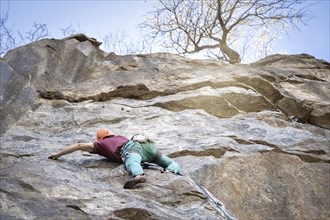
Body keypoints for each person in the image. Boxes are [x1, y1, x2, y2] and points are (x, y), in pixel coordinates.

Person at [48, 128, 181, 189]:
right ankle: (171, 170)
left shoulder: (100, 144)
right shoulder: (120, 137)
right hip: (148, 146)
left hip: (133, 149)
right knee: (169, 162)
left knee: (132, 161)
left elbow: (79, 145)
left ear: (99, 138)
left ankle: (138, 175)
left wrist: (57, 155)